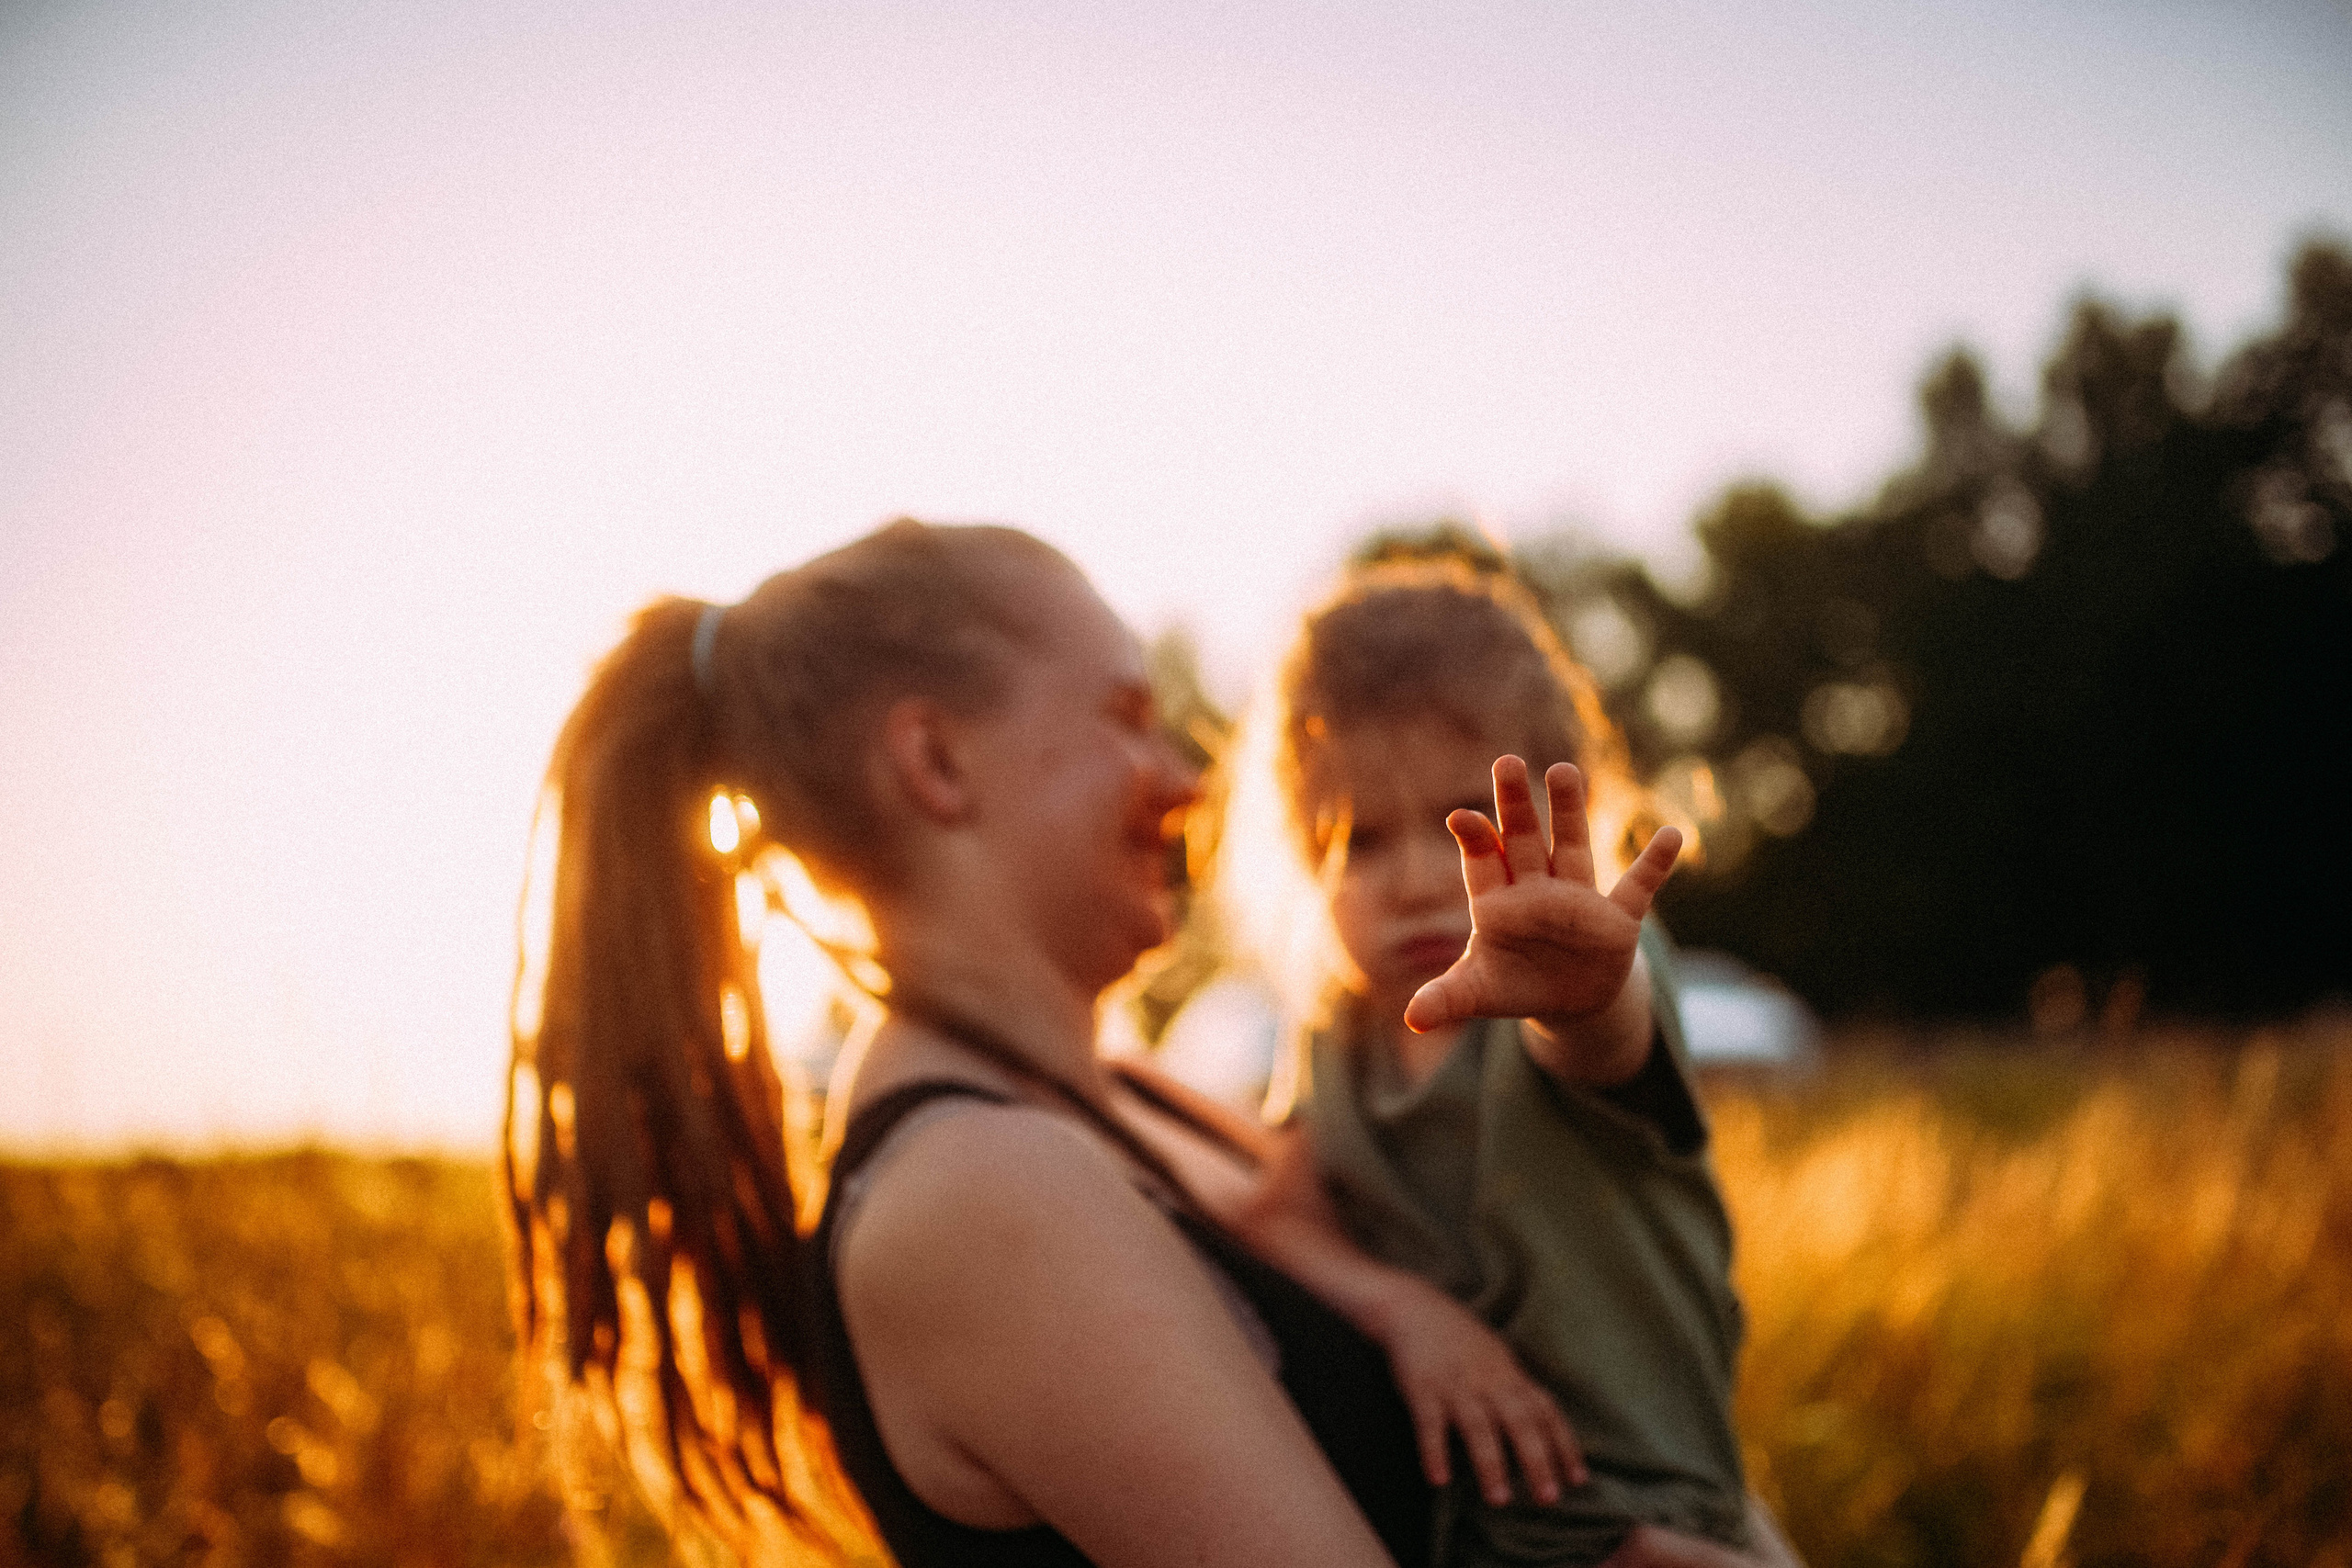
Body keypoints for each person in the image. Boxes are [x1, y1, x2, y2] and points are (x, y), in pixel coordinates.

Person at [501, 520, 1433, 1567]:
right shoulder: (980, 1187)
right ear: (935, 761)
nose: (1187, 782)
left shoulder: (1120, 1098)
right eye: (1128, 717)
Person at [1203, 555, 1803, 1568]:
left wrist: (1582, 994)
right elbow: (1278, 1216)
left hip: (1644, 1520)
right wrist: (1408, 1313)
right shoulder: (1333, 1029)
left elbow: (1602, 1041)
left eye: (1466, 828)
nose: (1419, 882)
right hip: (1473, 1531)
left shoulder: (1579, 973)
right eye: (1358, 842)